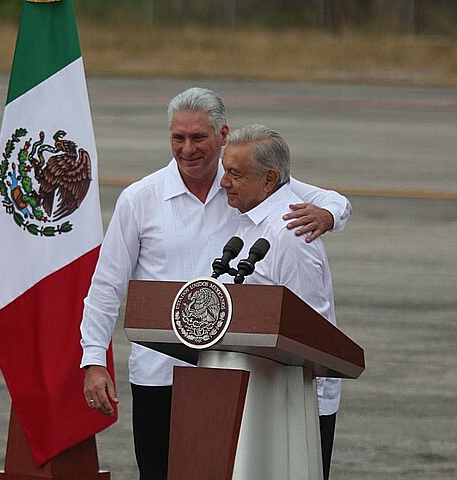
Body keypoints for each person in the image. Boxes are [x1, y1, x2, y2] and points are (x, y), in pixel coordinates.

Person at [80, 87, 351, 480]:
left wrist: (327, 216)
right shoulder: (141, 198)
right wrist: (92, 360)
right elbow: (106, 285)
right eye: (178, 138)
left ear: (223, 135)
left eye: (198, 138)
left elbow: (332, 200)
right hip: (160, 373)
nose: (187, 149)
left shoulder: (246, 182)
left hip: (235, 374)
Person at [220, 123, 341, 480]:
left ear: (269, 179)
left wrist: (308, 406)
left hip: (294, 404)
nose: (223, 182)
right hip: (258, 393)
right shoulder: (251, 221)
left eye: (234, 174)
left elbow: (312, 333)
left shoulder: (289, 233)